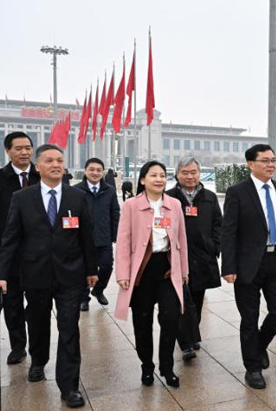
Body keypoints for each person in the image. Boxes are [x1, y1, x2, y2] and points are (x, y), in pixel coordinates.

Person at [0, 144, 97, 408]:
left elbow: (87, 236)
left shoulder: (77, 197)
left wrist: (91, 270)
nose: (55, 164)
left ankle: (69, 386)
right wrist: (1, 274)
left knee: (69, 328)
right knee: (38, 323)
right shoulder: (22, 198)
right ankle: (38, 361)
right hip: (35, 273)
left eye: (59, 160)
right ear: (37, 166)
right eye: (49, 160)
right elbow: (10, 239)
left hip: (70, 275)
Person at [221, 144, 276, 390]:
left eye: (273, 160)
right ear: (250, 164)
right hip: (247, 264)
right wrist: (228, 266)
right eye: (265, 160)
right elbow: (229, 231)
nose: (271, 165)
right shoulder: (237, 192)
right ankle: (253, 368)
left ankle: (259, 345)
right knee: (249, 317)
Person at [115, 161, 189, 388]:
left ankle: (167, 367)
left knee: (170, 317)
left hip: (167, 268)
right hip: (142, 270)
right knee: (142, 321)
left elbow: (182, 239)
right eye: (153, 175)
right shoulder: (131, 205)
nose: (159, 179)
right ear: (142, 180)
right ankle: (147, 365)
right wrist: (122, 273)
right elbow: (123, 240)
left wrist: (184, 270)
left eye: (162, 175)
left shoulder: (174, 204)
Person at [0, 131, 40, 366]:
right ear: (8, 151)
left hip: (38, 252)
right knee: (11, 302)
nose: (24, 152)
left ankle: (37, 344)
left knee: (37, 303)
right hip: (7, 252)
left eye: (28, 148)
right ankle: (18, 346)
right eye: (18, 148)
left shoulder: (42, 176)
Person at [167, 156, 223, 360]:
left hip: (203, 257)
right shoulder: (169, 197)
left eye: (193, 172)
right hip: (177, 257)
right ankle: (185, 343)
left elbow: (218, 223)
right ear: (177, 174)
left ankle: (192, 334)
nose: (190, 176)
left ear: (199, 174)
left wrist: (214, 246)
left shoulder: (209, 197)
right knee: (181, 300)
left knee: (197, 299)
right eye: (185, 172)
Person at [75, 158, 120, 311]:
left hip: (104, 237)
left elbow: (115, 213)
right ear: (85, 171)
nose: (95, 173)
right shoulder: (76, 190)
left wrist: (115, 234)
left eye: (98, 170)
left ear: (102, 172)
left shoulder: (109, 191)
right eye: (92, 169)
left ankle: (98, 290)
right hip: (82, 239)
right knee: (83, 269)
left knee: (107, 266)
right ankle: (84, 298)